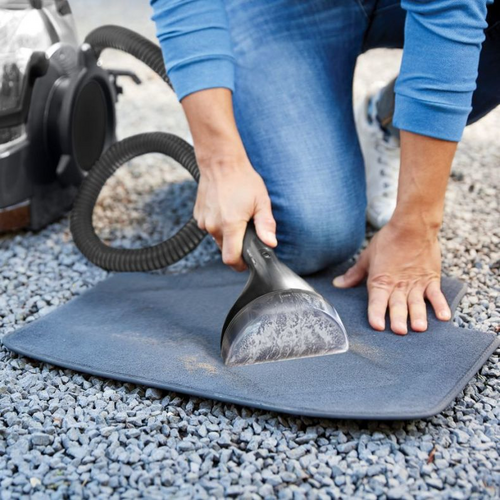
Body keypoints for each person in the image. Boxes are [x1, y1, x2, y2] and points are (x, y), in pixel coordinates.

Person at [150, 0, 500, 335]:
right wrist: (219, 161)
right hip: (275, 8)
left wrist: (416, 225)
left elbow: (450, 9)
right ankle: (236, 122)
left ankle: (386, 122)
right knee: (315, 237)